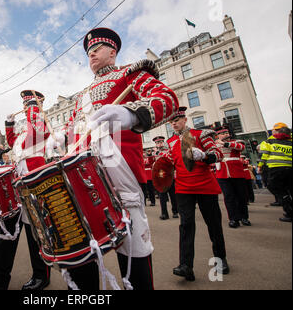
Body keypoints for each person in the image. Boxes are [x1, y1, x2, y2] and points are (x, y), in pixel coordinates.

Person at [46, 27, 179, 290]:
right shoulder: (82, 96)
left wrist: (131, 113)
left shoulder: (131, 74)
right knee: (85, 251)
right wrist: (61, 137)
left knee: (133, 250)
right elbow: (75, 126)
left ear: (112, 52)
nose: (91, 54)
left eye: (96, 49)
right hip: (86, 178)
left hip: (122, 174)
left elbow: (168, 100)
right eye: (88, 52)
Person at [0, 91, 52, 291]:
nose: (25, 107)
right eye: (24, 104)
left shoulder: (40, 126)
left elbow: (37, 127)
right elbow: (12, 139)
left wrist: (34, 106)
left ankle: (42, 275)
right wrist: (9, 123)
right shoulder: (24, 132)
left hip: (33, 182)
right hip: (16, 183)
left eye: (29, 104)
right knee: (6, 229)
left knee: (36, 232)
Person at [161, 107, 228, 282]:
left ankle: (220, 259)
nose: (174, 124)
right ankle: (186, 266)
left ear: (184, 119)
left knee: (213, 224)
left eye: (176, 120)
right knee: (186, 225)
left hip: (205, 185)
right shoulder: (171, 142)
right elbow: (168, 163)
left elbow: (218, 154)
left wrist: (205, 156)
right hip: (183, 188)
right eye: (171, 122)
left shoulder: (201, 134)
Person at [214, 127, 251, 228]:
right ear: (218, 136)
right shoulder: (215, 145)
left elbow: (241, 147)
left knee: (241, 196)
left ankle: (244, 217)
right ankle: (233, 219)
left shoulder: (236, 142)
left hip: (237, 173)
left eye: (226, 132)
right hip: (222, 174)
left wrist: (224, 143)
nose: (225, 134)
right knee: (229, 197)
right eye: (222, 133)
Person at [258, 123, 292, 222]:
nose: (272, 130)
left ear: (277, 131)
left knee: (278, 190)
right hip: (289, 168)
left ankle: (289, 211)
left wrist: (260, 166)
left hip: (276, 169)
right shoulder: (290, 141)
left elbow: (264, 155)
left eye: (274, 129)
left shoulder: (269, 141)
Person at [153, 136, 179, 220]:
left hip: (169, 174)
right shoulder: (155, 153)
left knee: (173, 195)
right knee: (162, 196)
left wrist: (159, 153)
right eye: (157, 143)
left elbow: (171, 160)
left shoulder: (168, 150)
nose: (159, 144)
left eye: (160, 142)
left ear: (163, 142)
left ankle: (175, 212)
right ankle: (164, 213)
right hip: (160, 176)